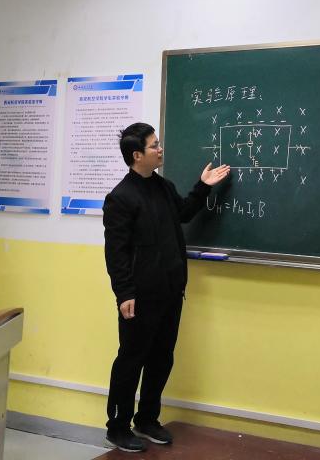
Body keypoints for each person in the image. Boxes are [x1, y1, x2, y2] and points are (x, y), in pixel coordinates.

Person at [102, 122, 230, 452]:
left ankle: (147, 419)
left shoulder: (162, 186)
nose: (160, 149)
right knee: (131, 360)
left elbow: (184, 213)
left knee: (161, 359)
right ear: (137, 155)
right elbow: (115, 253)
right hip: (140, 297)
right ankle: (118, 427)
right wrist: (124, 293)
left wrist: (202, 187)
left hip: (171, 291)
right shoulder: (120, 198)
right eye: (154, 145)